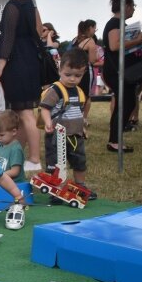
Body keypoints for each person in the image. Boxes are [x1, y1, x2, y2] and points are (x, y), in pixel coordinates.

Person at [0, 0, 43, 172]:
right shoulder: (30, 4)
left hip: (18, 63)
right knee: (20, 112)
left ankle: (34, 157)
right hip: (30, 60)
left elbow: (8, 39)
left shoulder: (13, 6)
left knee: (25, 113)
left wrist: (0, 67)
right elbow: (39, 30)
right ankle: (21, 155)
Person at [39, 48, 96, 199]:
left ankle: (80, 187)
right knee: (56, 164)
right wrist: (47, 122)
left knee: (79, 161)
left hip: (75, 135)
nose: (72, 79)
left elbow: (79, 112)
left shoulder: (79, 91)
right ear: (60, 69)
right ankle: (55, 190)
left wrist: (82, 126)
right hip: (57, 135)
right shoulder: (55, 90)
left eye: (78, 76)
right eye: (68, 74)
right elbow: (44, 108)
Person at [102, 0, 142, 153]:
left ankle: (115, 139)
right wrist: (137, 41)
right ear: (126, 6)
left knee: (128, 102)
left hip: (119, 70)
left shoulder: (118, 23)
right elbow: (114, 46)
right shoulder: (114, 23)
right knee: (125, 103)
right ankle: (114, 141)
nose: (134, 9)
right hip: (116, 71)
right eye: (133, 6)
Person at [71, 19, 100, 123]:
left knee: (74, 95)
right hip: (86, 71)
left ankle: (73, 116)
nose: (95, 31)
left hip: (74, 70)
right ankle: (82, 119)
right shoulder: (90, 41)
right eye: (94, 28)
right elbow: (92, 61)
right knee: (86, 96)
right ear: (90, 28)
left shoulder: (75, 40)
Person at [0, 110, 26, 182]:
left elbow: (15, 171)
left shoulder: (15, 149)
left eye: (1, 135)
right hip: (2, 181)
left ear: (14, 132)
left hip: (15, 185)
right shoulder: (0, 145)